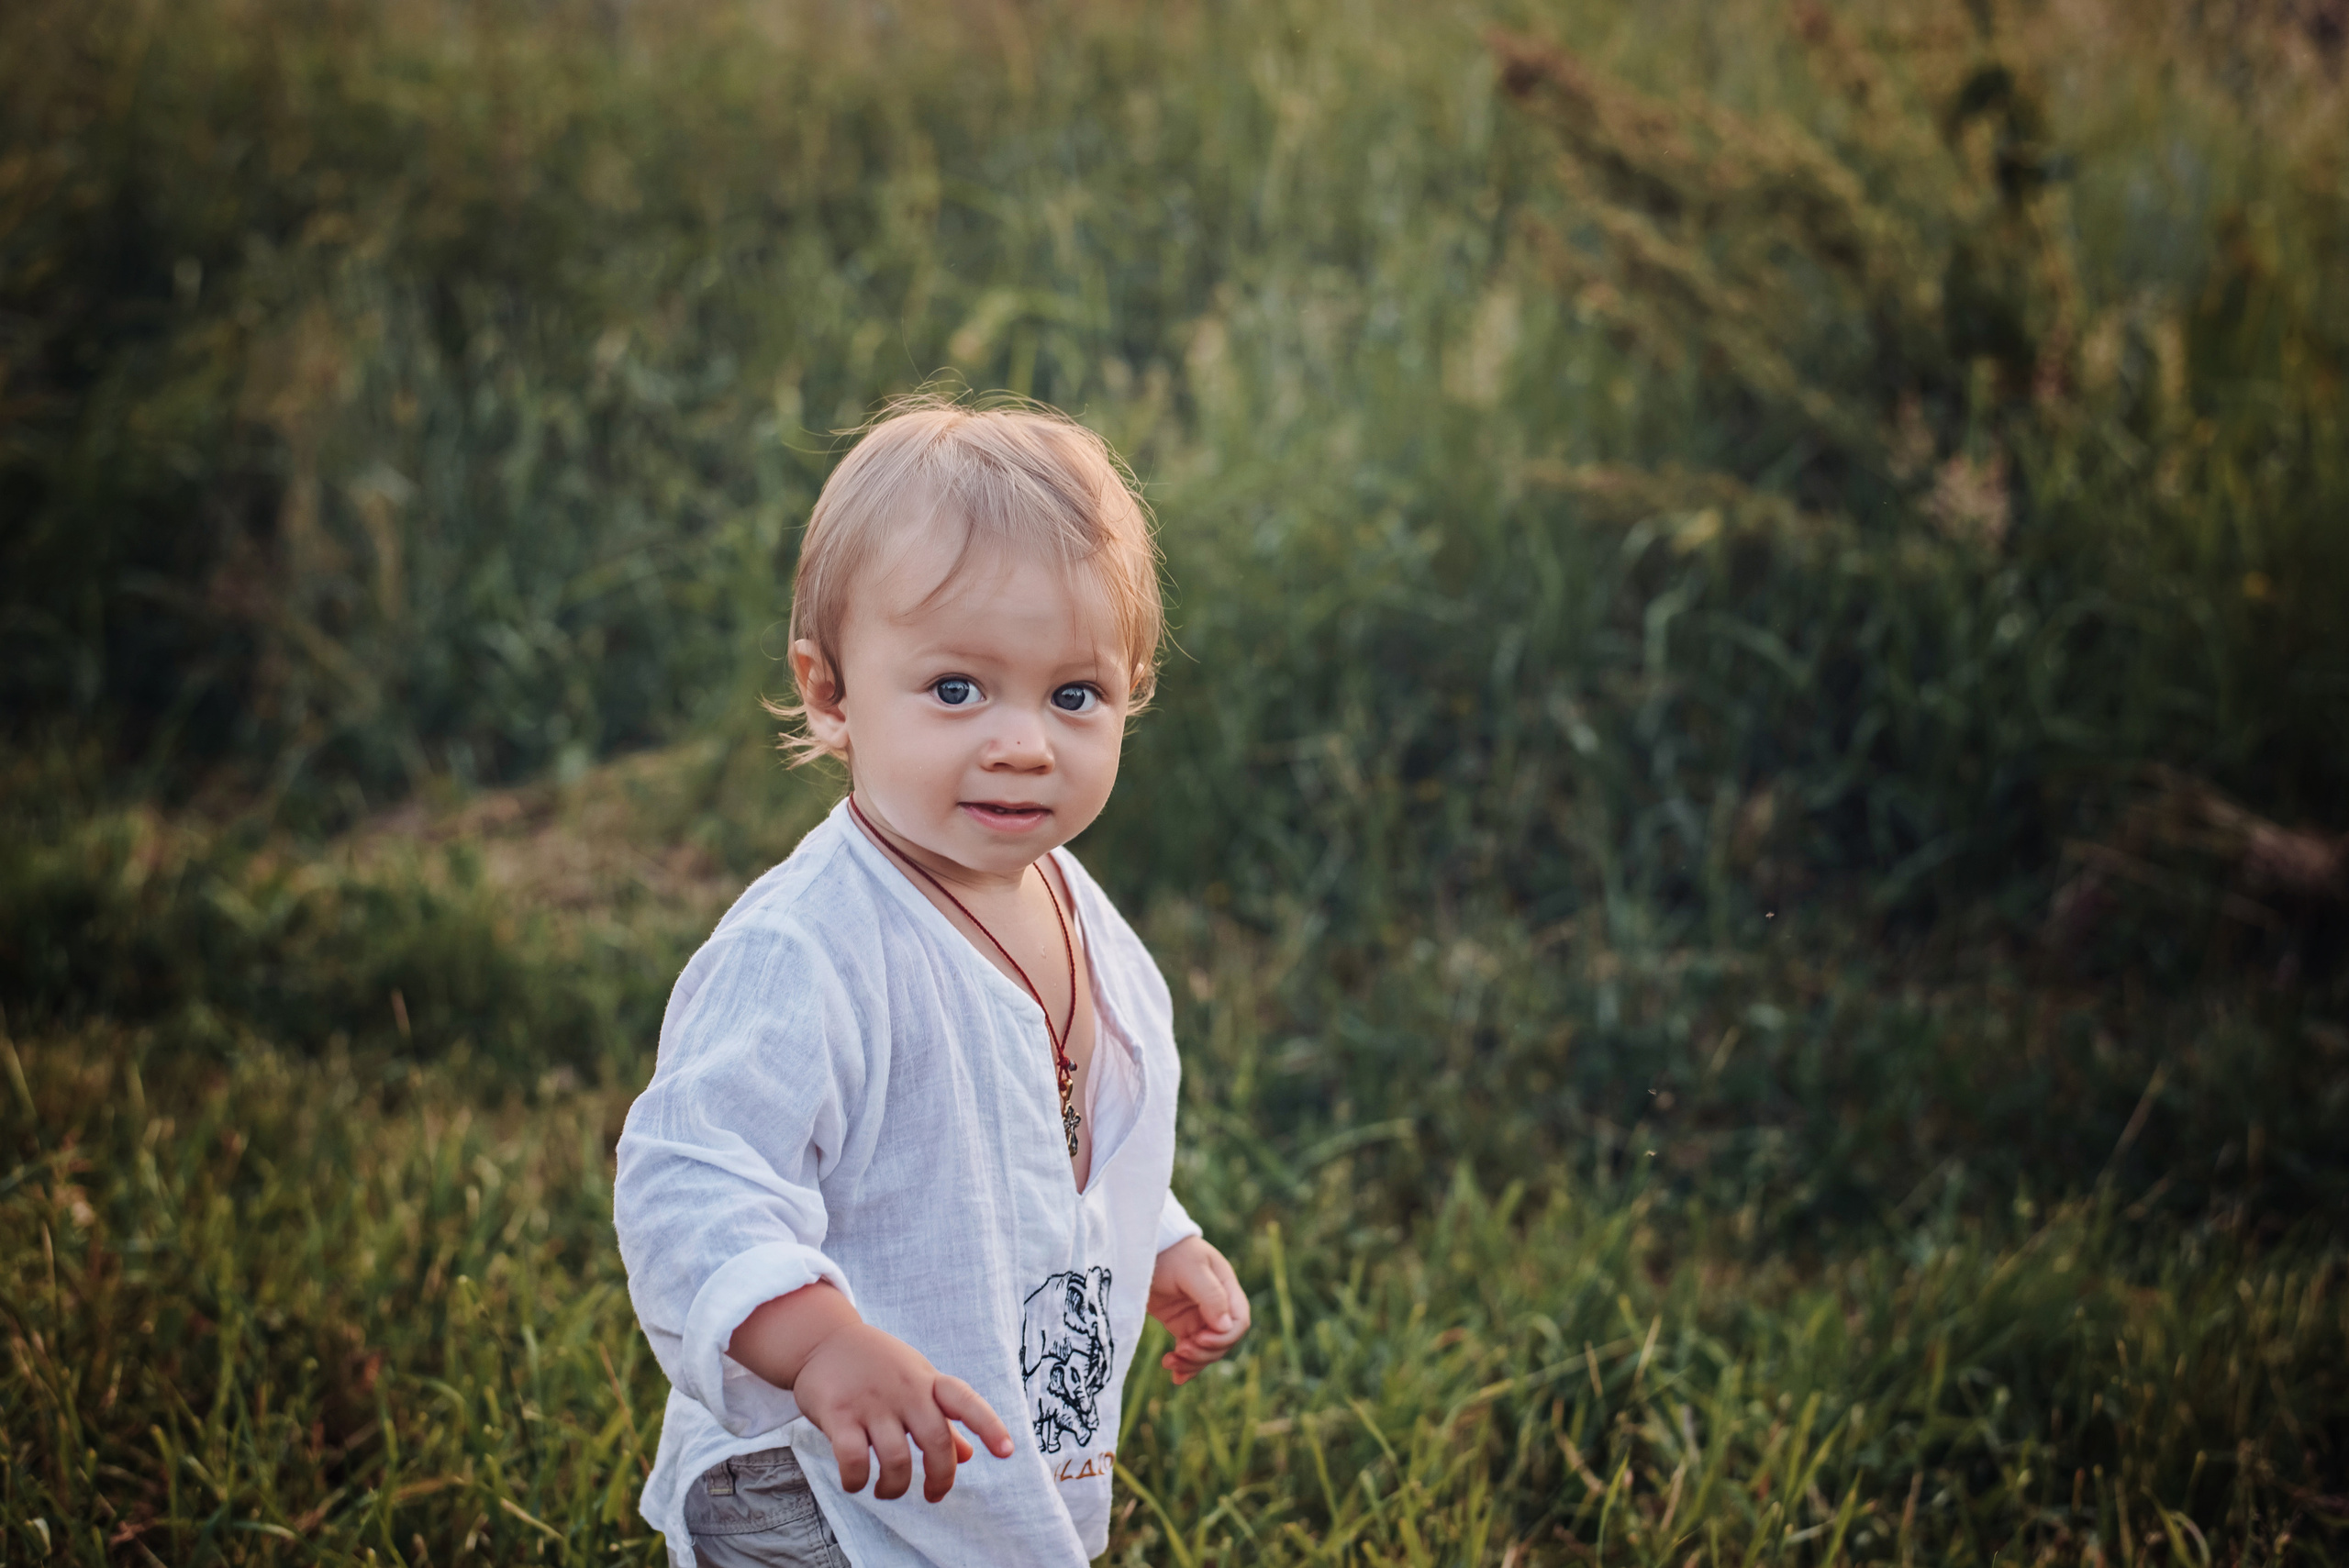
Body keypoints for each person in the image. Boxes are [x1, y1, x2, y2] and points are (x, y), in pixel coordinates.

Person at [615, 395, 1251, 1567]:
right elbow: (690, 1182)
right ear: (831, 692)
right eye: (958, 688)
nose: (1023, 741)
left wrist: (1150, 1229)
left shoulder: (1070, 903)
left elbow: (1037, 1121)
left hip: (971, 1468)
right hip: (820, 1481)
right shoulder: (809, 948)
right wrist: (816, 1344)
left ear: (1132, 689)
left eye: (1073, 694)